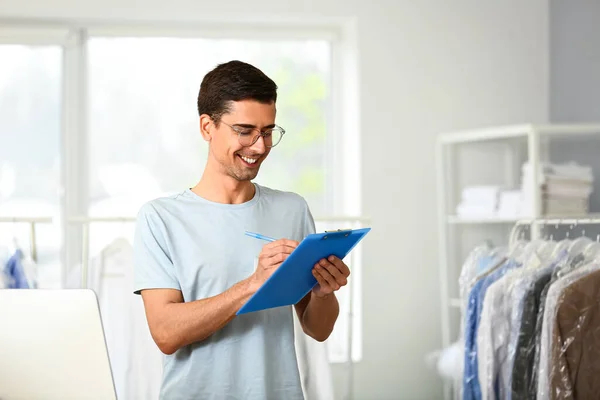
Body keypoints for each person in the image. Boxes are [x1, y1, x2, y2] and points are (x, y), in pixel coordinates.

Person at [133, 60, 351, 400]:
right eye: (245, 130)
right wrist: (252, 285)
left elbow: (318, 329)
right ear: (207, 127)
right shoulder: (161, 218)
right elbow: (165, 332)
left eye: (267, 131)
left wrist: (325, 292)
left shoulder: (291, 209)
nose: (260, 146)